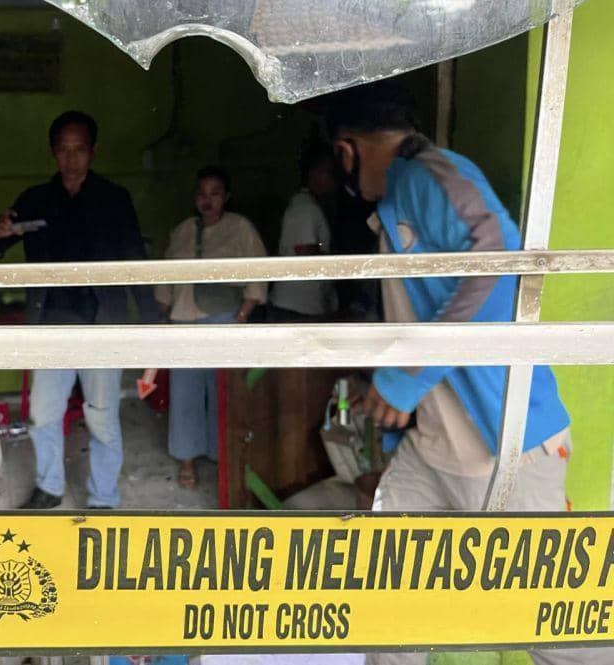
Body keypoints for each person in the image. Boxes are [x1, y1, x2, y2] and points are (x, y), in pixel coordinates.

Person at [327, 82, 608, 665]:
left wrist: (406, 380)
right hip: (432, 453)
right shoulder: (397, 204)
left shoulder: (426, 173)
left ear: (347, 152)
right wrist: (393, 394)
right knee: (388, 608)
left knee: (559, 636)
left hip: (506, 449)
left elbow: (498, 255)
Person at [0, 110, 160, 509]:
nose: (72, 158)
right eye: (64, 150)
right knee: (43, 414)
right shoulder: (36, 200)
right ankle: (50, 488)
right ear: (53, 153)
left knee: (102, 416)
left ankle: (103, 497)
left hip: (102, 326)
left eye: (79, 150)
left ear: (92, 151)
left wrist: (153, 329)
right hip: (50, 326)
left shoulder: (114, 199)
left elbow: (135, 262)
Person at [154, 166, 267, 488]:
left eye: (215, 193)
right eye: (202, 193)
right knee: (185, 393)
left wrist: (241, 316)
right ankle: (187, 459)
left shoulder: (240, 228)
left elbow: (258, 274)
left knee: (222, 393)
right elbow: (165, 274)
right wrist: (165, 309)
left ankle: (224, 458)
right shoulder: (183, 230)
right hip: (183, 318)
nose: (208, 200)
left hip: (224, 318)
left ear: (226, 197)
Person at [269, 145, 339, 321]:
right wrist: (337, 264)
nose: (334, 180)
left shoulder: (307, 205)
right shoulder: (305, 208)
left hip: (301, 304)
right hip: (297, 306)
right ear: (316, 173)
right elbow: (305, 251)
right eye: (330, 173)